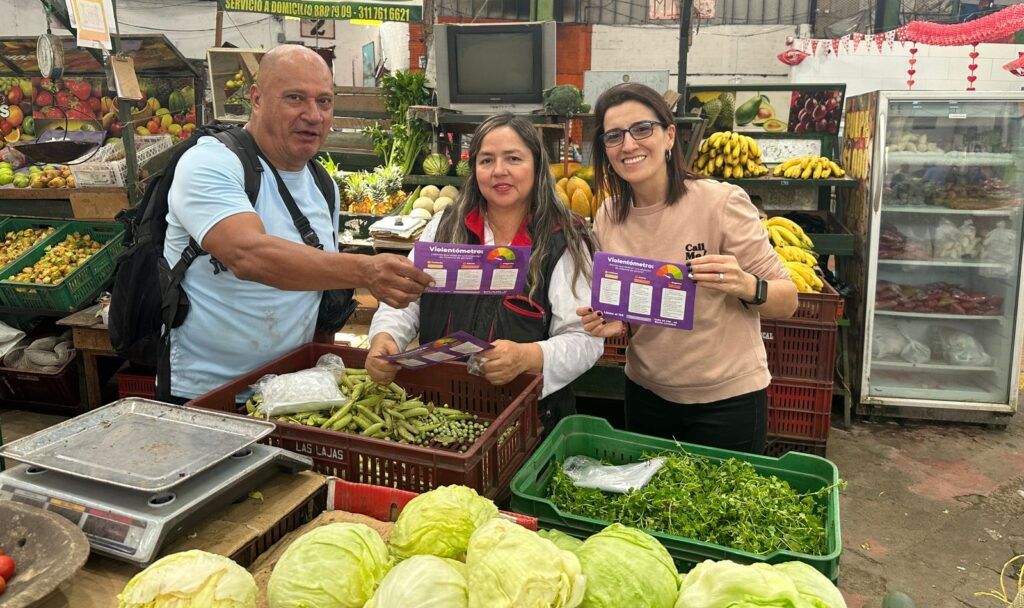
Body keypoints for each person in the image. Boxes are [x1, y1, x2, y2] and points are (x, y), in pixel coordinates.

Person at [163, 44, 432, 401]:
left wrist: (323, 370)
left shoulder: (323, 186)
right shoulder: (211, 164)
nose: (313, 115)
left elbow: (319, 291)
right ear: (256, 99)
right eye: (295, 98)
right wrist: (365, 270)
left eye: (324, 101)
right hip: (206, 396)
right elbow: (249, 255)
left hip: (290, 395)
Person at [577, 83, 798, 453]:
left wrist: (746, 285)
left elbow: (787, 300)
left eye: (642, 129)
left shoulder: (721, 202)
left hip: (728, 400)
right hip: (646, 393)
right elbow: (630, 305)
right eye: (613, 136)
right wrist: (612, 321)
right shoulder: (607, 216)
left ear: (669, 135)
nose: (628, 145)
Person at [365, 112, 603, 432]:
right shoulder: (444, 227)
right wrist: (386, 337)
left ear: (536, 165)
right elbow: (406, 300)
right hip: (441, 412)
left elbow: (585, 339)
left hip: (529, 421)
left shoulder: (564, 238)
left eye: (514, 158)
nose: (499, 171)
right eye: (487, 160)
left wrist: (530, 356)